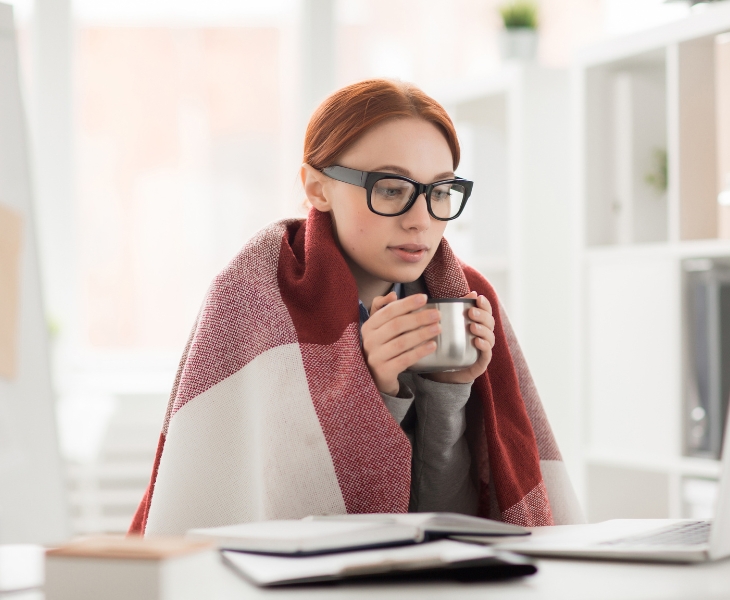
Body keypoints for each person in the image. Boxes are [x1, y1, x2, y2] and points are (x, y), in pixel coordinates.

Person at [130, 78, 583, 536]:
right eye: (390, 189)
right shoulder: (253, 299)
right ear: (317, 187)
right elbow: (285, 519)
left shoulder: (466, 296)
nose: (420, 220)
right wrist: (372, 394)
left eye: (441, 192)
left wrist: (448, 390)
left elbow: (453, 523)